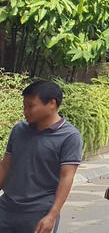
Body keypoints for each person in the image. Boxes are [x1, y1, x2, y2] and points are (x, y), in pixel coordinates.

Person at [0, 81, 81, 233]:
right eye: (24, 106)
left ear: (51, 104)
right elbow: (5, 165)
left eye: (30, 106)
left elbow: (67, 177)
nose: (25, 111)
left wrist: (52, 215)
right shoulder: (19, 130)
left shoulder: (69, 136)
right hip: (6, 208)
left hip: (39, 212)